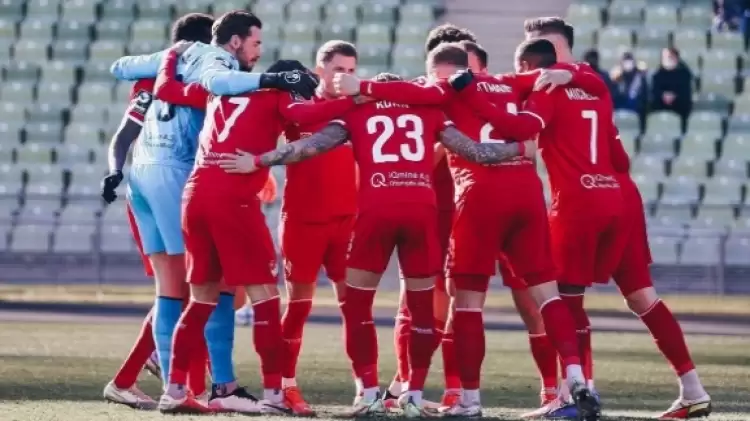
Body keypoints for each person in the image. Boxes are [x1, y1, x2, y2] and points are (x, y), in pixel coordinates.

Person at [153, 30, 372, 416]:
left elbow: (167, 89)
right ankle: (274, 394)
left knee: (201, 300)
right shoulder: (277, 96)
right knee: (267, 299)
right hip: (234, 201)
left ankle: (174, 390)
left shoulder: (216, 91)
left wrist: (172, 55)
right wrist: (356, 99)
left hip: (195, 197)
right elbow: (307, 115)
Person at [522, 16, 712, 420]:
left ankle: (578, 394)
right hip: (621, 193)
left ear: (553, 46)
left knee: (566, 298)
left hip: (578, 199)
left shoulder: (549, 87)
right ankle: (693, 388)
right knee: (642, 296)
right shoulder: (595, 84)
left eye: (536, 47)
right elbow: (620, 155)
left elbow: (523, 137)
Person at [100, 13, 215, 410]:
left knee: (174, 290)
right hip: (173, 184)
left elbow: (123, 135)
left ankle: (138, 379)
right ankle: (184, 387)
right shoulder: (202, 79)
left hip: (140, 184)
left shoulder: (147, 83)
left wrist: (114, 171)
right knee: (199, 289)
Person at [275, 42, 360, 416]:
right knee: (298, 308)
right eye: (339, 69)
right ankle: (285, 387)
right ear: (320, 70)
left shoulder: (358, 107)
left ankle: (365, 389)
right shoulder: (298, 107)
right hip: (303, 220)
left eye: (352, 70)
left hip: (346, 221)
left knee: (355, 308)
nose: (346, 77)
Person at [651, 47, 693, 133]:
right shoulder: (658, 74)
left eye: (668, 57)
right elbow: (655, 91)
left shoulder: (684, 73)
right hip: (661, 106)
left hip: (679, 107)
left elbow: (686, 94)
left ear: (675, 58)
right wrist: (662, 95)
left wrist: (674, 97)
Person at [610, 51, 649, 127]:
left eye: (630, 62)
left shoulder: (640, 77)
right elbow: (613, 96)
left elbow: (644, 97)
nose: (628, 64)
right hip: (620, 107)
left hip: (636, 109)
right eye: (625, 62)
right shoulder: (617, 77)